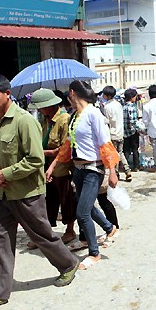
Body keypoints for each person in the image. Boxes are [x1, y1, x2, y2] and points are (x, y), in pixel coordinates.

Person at [0, 75, 80, 310]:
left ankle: (69, 264)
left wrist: (5, 173)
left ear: (7, 94)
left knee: (41, 234)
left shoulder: (24, 120)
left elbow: (36, 159)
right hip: (3, 193)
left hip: (27, 192)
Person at [46, 80, 119, 271]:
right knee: (83, 205)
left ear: (72, 93)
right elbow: (67, 146)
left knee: (82, 212)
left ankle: (94, 253)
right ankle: (110, 228)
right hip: (78, 169)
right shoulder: (74, 116)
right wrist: (53, 165)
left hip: (93, 169)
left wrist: (112, 171)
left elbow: (105, 143)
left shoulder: (93, 114)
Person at [27, 89, 76, 246]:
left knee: (66, 199)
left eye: (41, 107)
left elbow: (64, 148)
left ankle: (70, 230)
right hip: (44, 167)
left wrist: (42, 152)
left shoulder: (64, 119)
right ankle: (45, 234)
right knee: (47, 202)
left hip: (61, 168)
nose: (39, 110)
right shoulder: (44, 120)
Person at [102, 86, 132, 182]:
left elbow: (107, 121)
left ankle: (116, 172)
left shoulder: (107, 107)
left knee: (114, 155)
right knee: (120, 152)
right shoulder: (118, 104)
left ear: (107, 96)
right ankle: (127, 170)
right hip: (120, 132)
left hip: (112, 133)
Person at [123, 89, 141, 172]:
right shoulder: (132, 107)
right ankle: (136, 166)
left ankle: (125, 166)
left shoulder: (123, 107)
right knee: (135, 149)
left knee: (126, 150)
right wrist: (141, 129)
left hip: (125, 132)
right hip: (133, 132)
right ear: (132, 97)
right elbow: (133, 121)